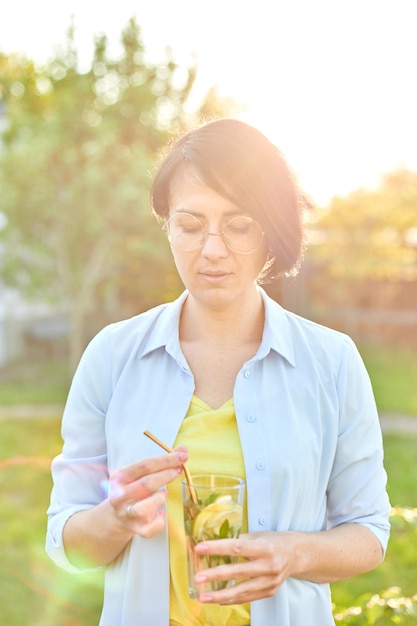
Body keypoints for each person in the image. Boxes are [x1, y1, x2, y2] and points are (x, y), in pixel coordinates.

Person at [46, 118, 391, 626]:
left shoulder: (331, 362)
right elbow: (69, 544)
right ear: (167, 226)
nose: (212, 250)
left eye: (238, 224)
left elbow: (368, 532)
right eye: (189, 225)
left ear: (270, 230)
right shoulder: (112, 356)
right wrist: (113, 518)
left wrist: (293, 553)